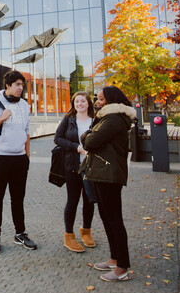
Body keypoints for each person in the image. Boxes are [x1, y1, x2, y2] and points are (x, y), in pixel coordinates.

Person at [80, 86, 136, 282]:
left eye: (101, 99)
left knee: (114, 219)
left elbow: (90, 141)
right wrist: (90, 135)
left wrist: (87, 135)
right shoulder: (108, 118)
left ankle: (122, 268)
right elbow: (92, 138)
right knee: (107, 217)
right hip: (104, 173)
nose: (97, 101)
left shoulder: (113, 119)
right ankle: (114, 258)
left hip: (109, 174)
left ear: (111, 100)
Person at [0, 70, 36, 254]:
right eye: (17, 84)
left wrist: (27, 156)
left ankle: (20, 233)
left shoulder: (25, 105)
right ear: (8, 86)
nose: (21, 88)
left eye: (22, 84)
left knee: (18, 199)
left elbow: (27, 131)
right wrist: (1, 118)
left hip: (19, 159)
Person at [53, 91, 97, 253]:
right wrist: (76, 147)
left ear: (88, 104)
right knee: (72, 200)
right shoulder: (68, 119)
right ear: (73, 104)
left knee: (89, 200)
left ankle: (86, 231)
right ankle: (69, 236)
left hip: (90, 167)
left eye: (82, 101)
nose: (79, 104)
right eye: (77, 101)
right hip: (72, 166)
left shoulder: (95, 120)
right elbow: (57, 138)